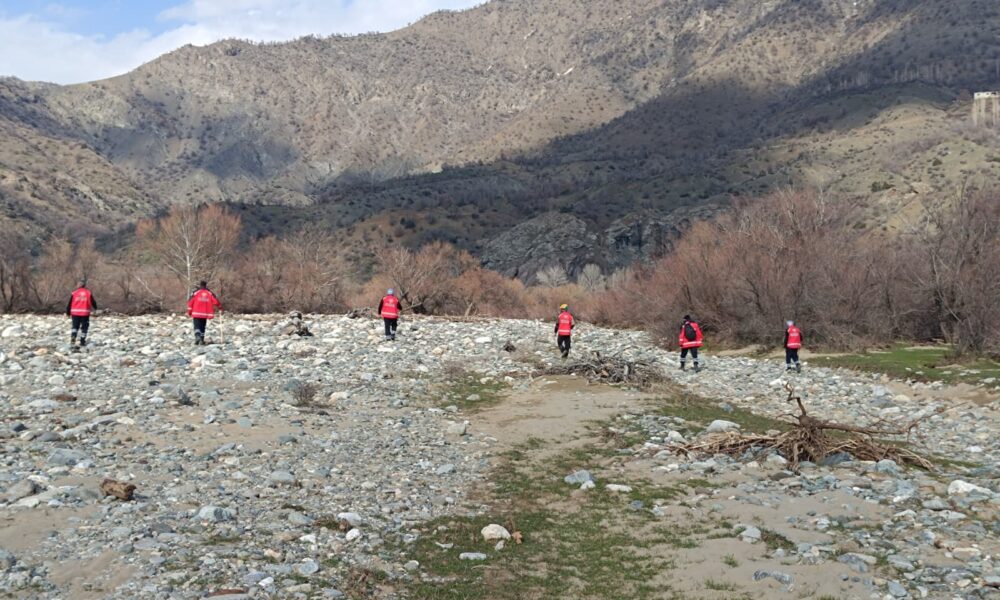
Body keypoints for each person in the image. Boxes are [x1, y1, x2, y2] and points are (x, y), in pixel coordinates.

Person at [187, 281, 222, 346]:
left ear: (200, 285)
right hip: (205, 313)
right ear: (206, 285)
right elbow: (216, 301)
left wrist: (189, 311)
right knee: (202, 326)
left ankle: (197, 337)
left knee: (197, 326)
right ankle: (201, 339)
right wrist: (220, 307)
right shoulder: (209, 293)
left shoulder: (195, 293)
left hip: (196, 313)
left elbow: (190, 302)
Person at [66, 278, 97, 347]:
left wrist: (68, 312)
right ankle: (82, 341)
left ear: (78, 285)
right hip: (85, 313)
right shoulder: (88, 293)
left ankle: (73, 339)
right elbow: (93, 302)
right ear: (84, 285)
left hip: (75, 313)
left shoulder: (74, 293)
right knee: (84, 327)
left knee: (75, 327)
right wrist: (95, 308)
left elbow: (69, 303)